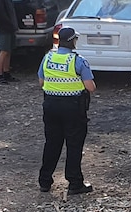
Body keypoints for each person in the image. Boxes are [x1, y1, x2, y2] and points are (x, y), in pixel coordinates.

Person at [37, 27, 96, 195]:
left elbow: (41, 81)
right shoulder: (78, 61)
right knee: (74, 145)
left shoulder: (47, 58)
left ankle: (45, 181)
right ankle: (75, 182)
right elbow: (90, 87)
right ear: (72, 41)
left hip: (51, 106)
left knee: (52, 143)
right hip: (73, 107)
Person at [0, 0, 19, 84]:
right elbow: (0, 14)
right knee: (3, 51)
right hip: (4, 28)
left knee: (8, 50)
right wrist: (9, 24)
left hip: (10, 28)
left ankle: (6, 72)